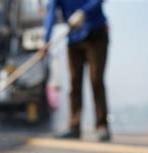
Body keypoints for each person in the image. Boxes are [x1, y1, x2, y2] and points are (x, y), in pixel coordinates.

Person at [43, 0, 111, 141]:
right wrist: (46, 40)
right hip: (74, 38)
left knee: (96, 79)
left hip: (96, 33)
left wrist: (84, 11)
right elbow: (51, 13)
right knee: (74, 82)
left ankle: (101, 126)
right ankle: (74, 126)